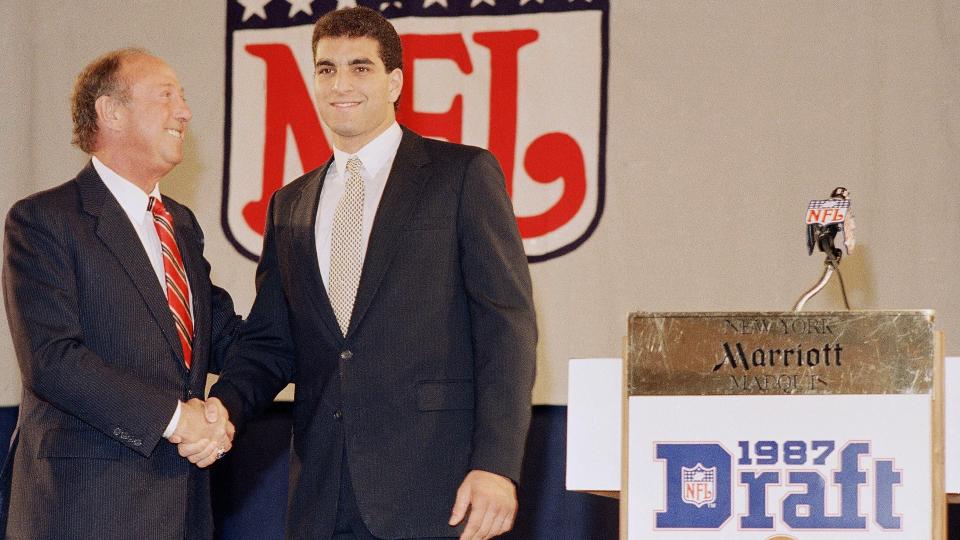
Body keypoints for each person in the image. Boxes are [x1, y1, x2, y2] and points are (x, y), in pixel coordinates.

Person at [206, 7, 537, 540]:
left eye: (360, 68)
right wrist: (222, 408)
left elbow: (507, 329)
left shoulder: (462, 176)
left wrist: (496, 466)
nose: (341, 84)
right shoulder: (289, 205)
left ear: (394, 82)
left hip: (437, 489)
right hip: (321, 492)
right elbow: (271, 344)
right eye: (326, 69)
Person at [1, 48, 240, 539]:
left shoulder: (182, 225)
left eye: (184, 97)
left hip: (183, 512)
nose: (185, 111)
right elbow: (53, 360)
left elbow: (221, 337)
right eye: (166, 95)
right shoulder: (45, 221)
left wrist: (318, 335)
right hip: (85, 510)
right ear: (111, 111)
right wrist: (177, 420)